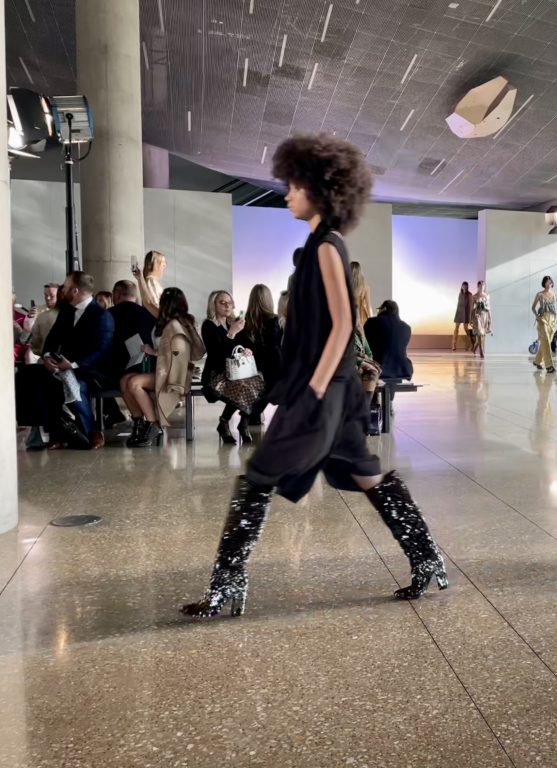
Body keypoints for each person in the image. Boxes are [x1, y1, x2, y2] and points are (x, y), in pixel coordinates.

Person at [182, 134, 446, 618]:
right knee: (366, 473)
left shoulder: (326, 247)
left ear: (321, 190)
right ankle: (428, 558)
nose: (287, 193)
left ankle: (226, 587)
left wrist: (316, 390)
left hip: (323, 390)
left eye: (294, 184)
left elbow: (344, 322)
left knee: (259, 475)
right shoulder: (321, 244)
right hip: (333, 390)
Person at [119, 288, 205, 447]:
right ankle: (139, 424)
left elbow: (179, 353)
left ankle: (153, 425)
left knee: (134, 383)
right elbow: (147, 302)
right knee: (124, 380)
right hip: (161, 369)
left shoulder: (177, 325)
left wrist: (153, 352)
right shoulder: (166, 320)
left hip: (172, 374)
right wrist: (140, 279)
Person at [39, 272, 114, 449]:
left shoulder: (102, 316)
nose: (62, 290)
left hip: (93, 370)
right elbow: (51, 339)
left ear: (75, 290)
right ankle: (56, 433)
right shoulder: (66, 312)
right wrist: (47, 356)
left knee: (78, 384)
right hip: (64, 367)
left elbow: (101, 352)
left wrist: (73, 364)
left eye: (65, 287)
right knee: (41, 379)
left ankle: (92, 432)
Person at [201, 290, 262, 444]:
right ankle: (227, 423)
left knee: (258, 383)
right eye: (222, 302)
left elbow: (244, 346)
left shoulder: (232, 323)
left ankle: (240, 424)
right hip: (215, 375)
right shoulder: (209, 326)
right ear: (213, 305)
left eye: (229, 302)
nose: (227, 305)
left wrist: (247, 350)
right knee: (243, 387)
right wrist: (231, 334)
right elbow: (217, 355)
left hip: (235, 373)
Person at [239, 283, 284, 419]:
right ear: (269, 300)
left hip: (252, 366)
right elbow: (274, 347)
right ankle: (253, 411)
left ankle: (252, 412)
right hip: (272, 366)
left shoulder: (245, 321)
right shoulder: (275, 321)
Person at [364, 300, 414, 380]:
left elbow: (366, 345)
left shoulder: (372, 322)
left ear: (384, 309)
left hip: (379, 368)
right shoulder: (406, 327)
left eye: (379, 309)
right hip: (404, 370)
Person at [531, 276, 557, 373]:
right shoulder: (540, 294)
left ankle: (537, 361)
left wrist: (556, 320)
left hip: (552, 320)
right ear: (544, 283)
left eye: (550, 281)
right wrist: (537, 317)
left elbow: (555, 309)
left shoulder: (554, 294)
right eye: (547, 282)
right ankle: (549, 366)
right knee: (546, 341)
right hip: (542, 320)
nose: (549, 283)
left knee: (546, 343)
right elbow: (533, 307)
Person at [27, 283, 61, 361]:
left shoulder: (69, 313)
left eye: (52, 296)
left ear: (60, 295)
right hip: (40, 352)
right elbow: (29, 332)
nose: (48, 298)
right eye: (45, 295)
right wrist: (29, 318)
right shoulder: (37, 310)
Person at [132, 250, 167, 317]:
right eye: (162, 263)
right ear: (153, 264)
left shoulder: (150, 281)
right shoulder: (151, 282)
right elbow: (152, 305)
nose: (164, 266)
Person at [470, 280, 492, 358]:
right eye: (480, 285)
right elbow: (471, 308)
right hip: (477, 316)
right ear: (478, 286)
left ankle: (475, 348)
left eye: (483, 285)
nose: (482, 287)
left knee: (482, 335)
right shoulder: (474, 296)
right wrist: (470, 318)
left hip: (485, 316)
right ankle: (481, 351)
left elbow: (489, 308)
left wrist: (490, 318)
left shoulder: (487, 296)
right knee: (479, 333)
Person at [452, 281, 473, 351]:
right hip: (459, 312)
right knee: (456, 328)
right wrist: (457, 312)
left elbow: (471, 306)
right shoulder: (460, 294)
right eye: (463, 286)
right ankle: (454, 345)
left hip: (466, 313)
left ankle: (470, 343)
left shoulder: (470, 294)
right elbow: (458, 304)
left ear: (467, 287)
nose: (464, 287)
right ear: (461, 286)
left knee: (465, 328)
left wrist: (470, 316)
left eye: (465, 286)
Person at [351, 260, 372, 327]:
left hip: (348, 317)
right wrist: (372, 320)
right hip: (361, 319)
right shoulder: (365, 287)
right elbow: (369, 307)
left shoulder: (345, 286)